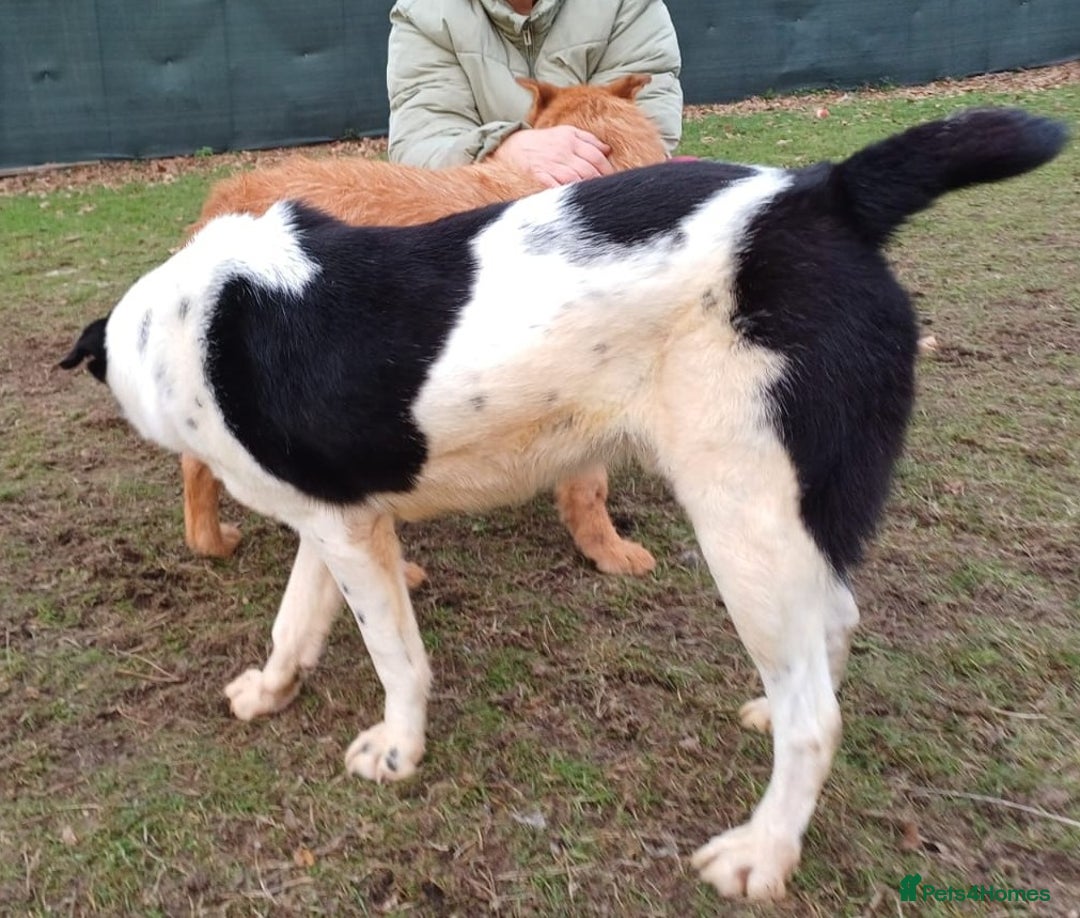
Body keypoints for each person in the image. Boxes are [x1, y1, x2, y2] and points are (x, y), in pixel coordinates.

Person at [386, 0, 683, 187]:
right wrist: (502, 147)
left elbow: (642, 139)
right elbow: (420, 146)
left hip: (602, 214)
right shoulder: (426, 14)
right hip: (481, 226)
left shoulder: (626, 6)